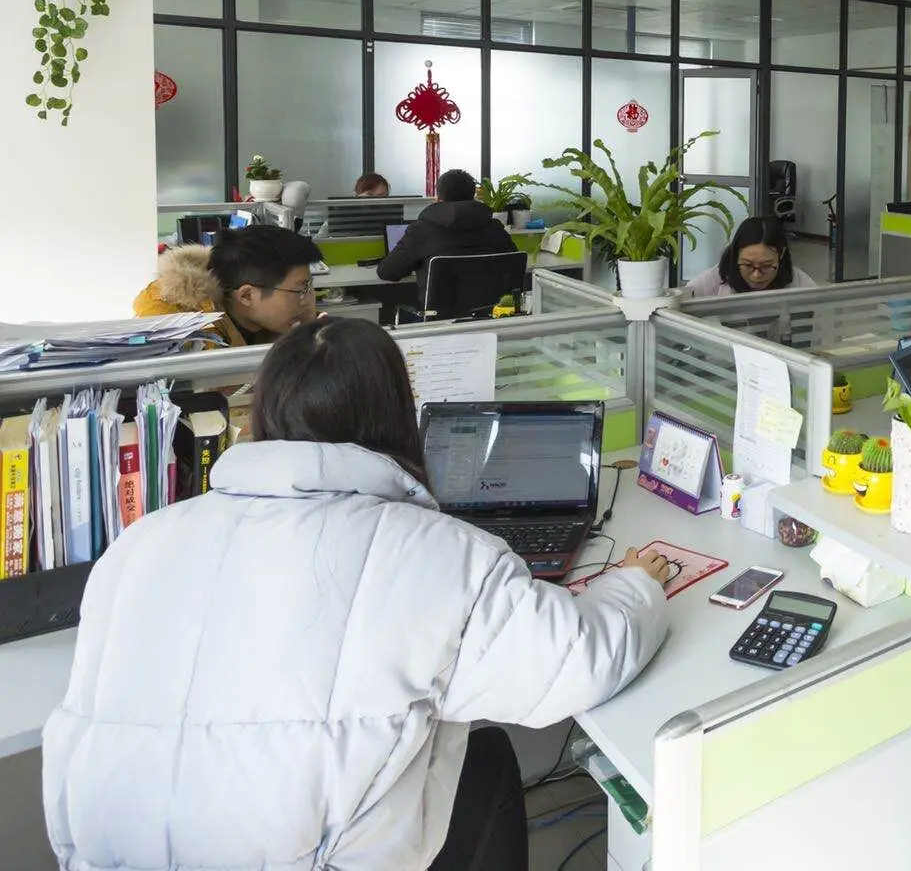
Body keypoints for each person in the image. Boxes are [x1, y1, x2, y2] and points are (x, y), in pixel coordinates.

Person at [41, 318, 671, 871]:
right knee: (487, 757)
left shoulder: (141, 541)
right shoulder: (435, 552)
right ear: (398, 413)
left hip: (109, 856)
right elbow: (583, 662)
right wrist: (635, 584)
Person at [133, 224, 322, 346]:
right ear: (247, 295)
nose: (308, 300)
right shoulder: (180, 337)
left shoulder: (273, 319)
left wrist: (309, 332)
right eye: (300, 290)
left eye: (309, 287)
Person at [379, 168, 517, 306]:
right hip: (495, 314)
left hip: (441, 317)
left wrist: (417, 264)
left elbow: (387, 272)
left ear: (439, 198)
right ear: (473, 196)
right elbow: (514, 262)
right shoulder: (495, 229)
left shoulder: (421, 230)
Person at [685, 216, 816, 298]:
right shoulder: (715, 279)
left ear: (781, 255)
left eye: (766, 266)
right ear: (736, 255)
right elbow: (682, 302)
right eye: (747, 265)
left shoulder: (799, 283)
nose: (756, 275)